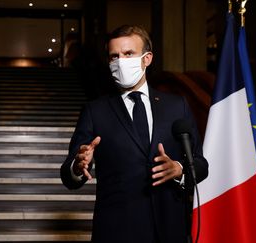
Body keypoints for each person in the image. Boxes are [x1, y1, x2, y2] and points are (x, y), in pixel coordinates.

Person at [60, 25, 209, 242]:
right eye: (114, 56)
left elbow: (201, 164)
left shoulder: (176, 106)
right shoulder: (95, 111)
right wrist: (78, 164)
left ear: (147, 59)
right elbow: (68, 176)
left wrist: (178, 169)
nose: (120, 62)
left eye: (128, 54)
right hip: (116, 231)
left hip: (169, 230)